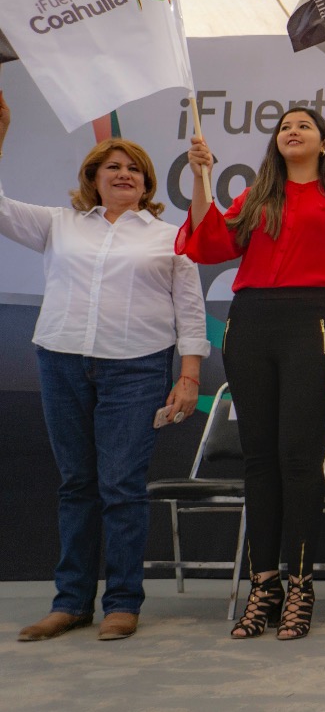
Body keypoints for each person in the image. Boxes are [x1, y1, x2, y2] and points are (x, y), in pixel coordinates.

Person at [0, 89, 208, 642]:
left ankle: (122, 602)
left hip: (136, 370)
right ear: (93, 178)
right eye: (113, 166)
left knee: (121, 486)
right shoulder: (59, 224)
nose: (124, 173)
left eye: (134, 168)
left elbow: (190, 311)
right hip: (62, 361)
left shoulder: (171, 237)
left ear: (147, 183)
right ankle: (70, 602)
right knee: (77, 485)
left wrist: (189, 375)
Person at [181, 106, 325, 640]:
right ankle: (264, 585)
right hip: (250, 322)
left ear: (323, 143)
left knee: (298, 457)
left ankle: (301, 586)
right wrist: (201, 180)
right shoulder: (255, 198)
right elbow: (209, 243)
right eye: (284, 126)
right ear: (276, 142)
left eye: (303, 126)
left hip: (313, 324)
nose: (292, 131)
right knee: (259, 459)